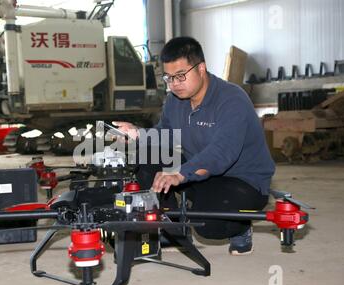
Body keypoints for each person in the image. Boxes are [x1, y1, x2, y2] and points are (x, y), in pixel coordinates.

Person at [113, 36, 275, 255]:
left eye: (180, 76)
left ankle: (241, 226)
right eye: (169, 78)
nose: (174, 84)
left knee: (208, 225)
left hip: (242, 182)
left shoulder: (232, 100)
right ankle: (172, 227)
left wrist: (180, 175)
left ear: (201, 68)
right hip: (199, 173)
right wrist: (137, 135)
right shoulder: (174, 101)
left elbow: (221, 153)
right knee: (146, 153)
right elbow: (166, 135)